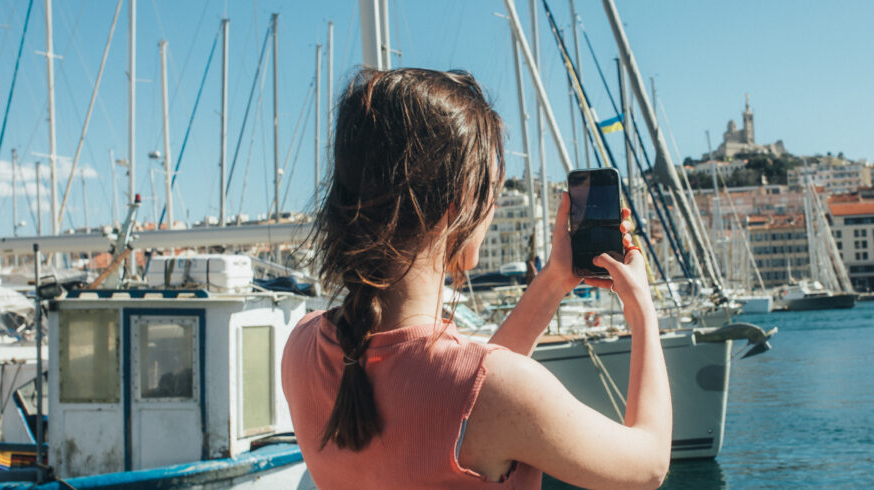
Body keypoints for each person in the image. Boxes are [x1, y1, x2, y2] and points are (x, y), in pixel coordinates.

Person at [281, 68, 670, 489]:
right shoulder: (500, 390)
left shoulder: (301, 348)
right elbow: (647, 465)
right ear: (460, 202)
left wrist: (556, 279)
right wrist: (643, 312)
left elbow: (464, 391)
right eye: (491, 192)